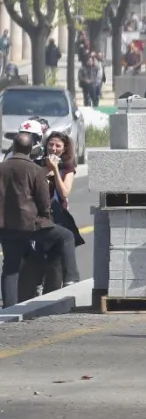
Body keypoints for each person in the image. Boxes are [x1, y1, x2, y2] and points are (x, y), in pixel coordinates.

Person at [0, 121, 77, 306]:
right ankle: (71, 279)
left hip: (5, 226)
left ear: (14, 146)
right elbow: (44, 203)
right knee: (66, 236)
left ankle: (8, 309)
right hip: (30, 224)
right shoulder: (35, 170)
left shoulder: (2, 167)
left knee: (10, 266)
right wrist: (43, 218)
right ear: (33, 148)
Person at [42, 131, 84, 250]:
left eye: (58, 146)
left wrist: (55, 170)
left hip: (58, 215)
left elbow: (64, 192)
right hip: (39, 216)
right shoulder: (38, 165)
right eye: (50, 144)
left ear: (64, 149)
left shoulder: (67, 169)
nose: (53, 149)